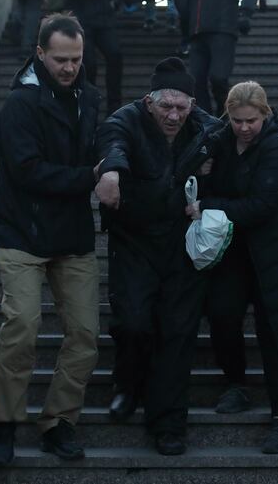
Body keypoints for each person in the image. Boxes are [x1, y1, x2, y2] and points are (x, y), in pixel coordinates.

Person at [186, 81, 278, 454]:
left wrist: (210, 205)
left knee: (276, 331)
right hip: (234, 248)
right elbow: (199, 174)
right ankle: (236, 385)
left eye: (251, 120)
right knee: (222, 314)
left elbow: (261, 204)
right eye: (236, 120)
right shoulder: (221, 138)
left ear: (266, 114)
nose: (244, 127)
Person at [0, 14, 101, 465]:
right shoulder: (19, 105)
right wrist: (90, 178)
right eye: (60, 59)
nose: (70, 67)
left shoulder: (89, 97)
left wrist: (111, 162)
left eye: (76, 58)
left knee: (85, 334)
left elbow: (104, 141)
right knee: (21, 328)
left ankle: (59, 422)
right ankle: (6, 424)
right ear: (39, 54)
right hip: (22, 232)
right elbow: (26, 170)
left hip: (73, 234)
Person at [95, 57, 219, 456]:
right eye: (166, 106)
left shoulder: (203, 127)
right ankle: (127, 384)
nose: (173, 115)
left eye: (181, 108)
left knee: (178, 331)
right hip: (134, 240)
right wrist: (111, 171)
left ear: (192, 104)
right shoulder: (127, 119)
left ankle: (168, 422)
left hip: (182, 245)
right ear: (149, 101)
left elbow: (245, 132)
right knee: (133, 322)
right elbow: (112, 141)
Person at [175, 0, 256, 115]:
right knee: (196, 82)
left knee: (218, 78)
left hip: (222, 32)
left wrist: (245, 14)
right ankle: (207, 122)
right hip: (197, 35)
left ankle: (225, 113)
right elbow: (186, 8)